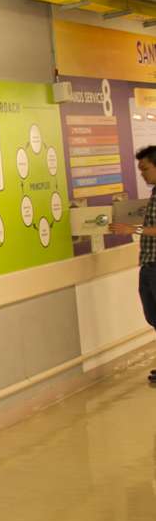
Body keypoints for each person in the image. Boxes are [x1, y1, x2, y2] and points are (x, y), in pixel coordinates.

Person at [113, 144, 156, 383]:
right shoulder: (154, 193)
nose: (142, 174)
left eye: (145, 169)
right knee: (153, 317)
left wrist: (133, 229)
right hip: (148, 265)